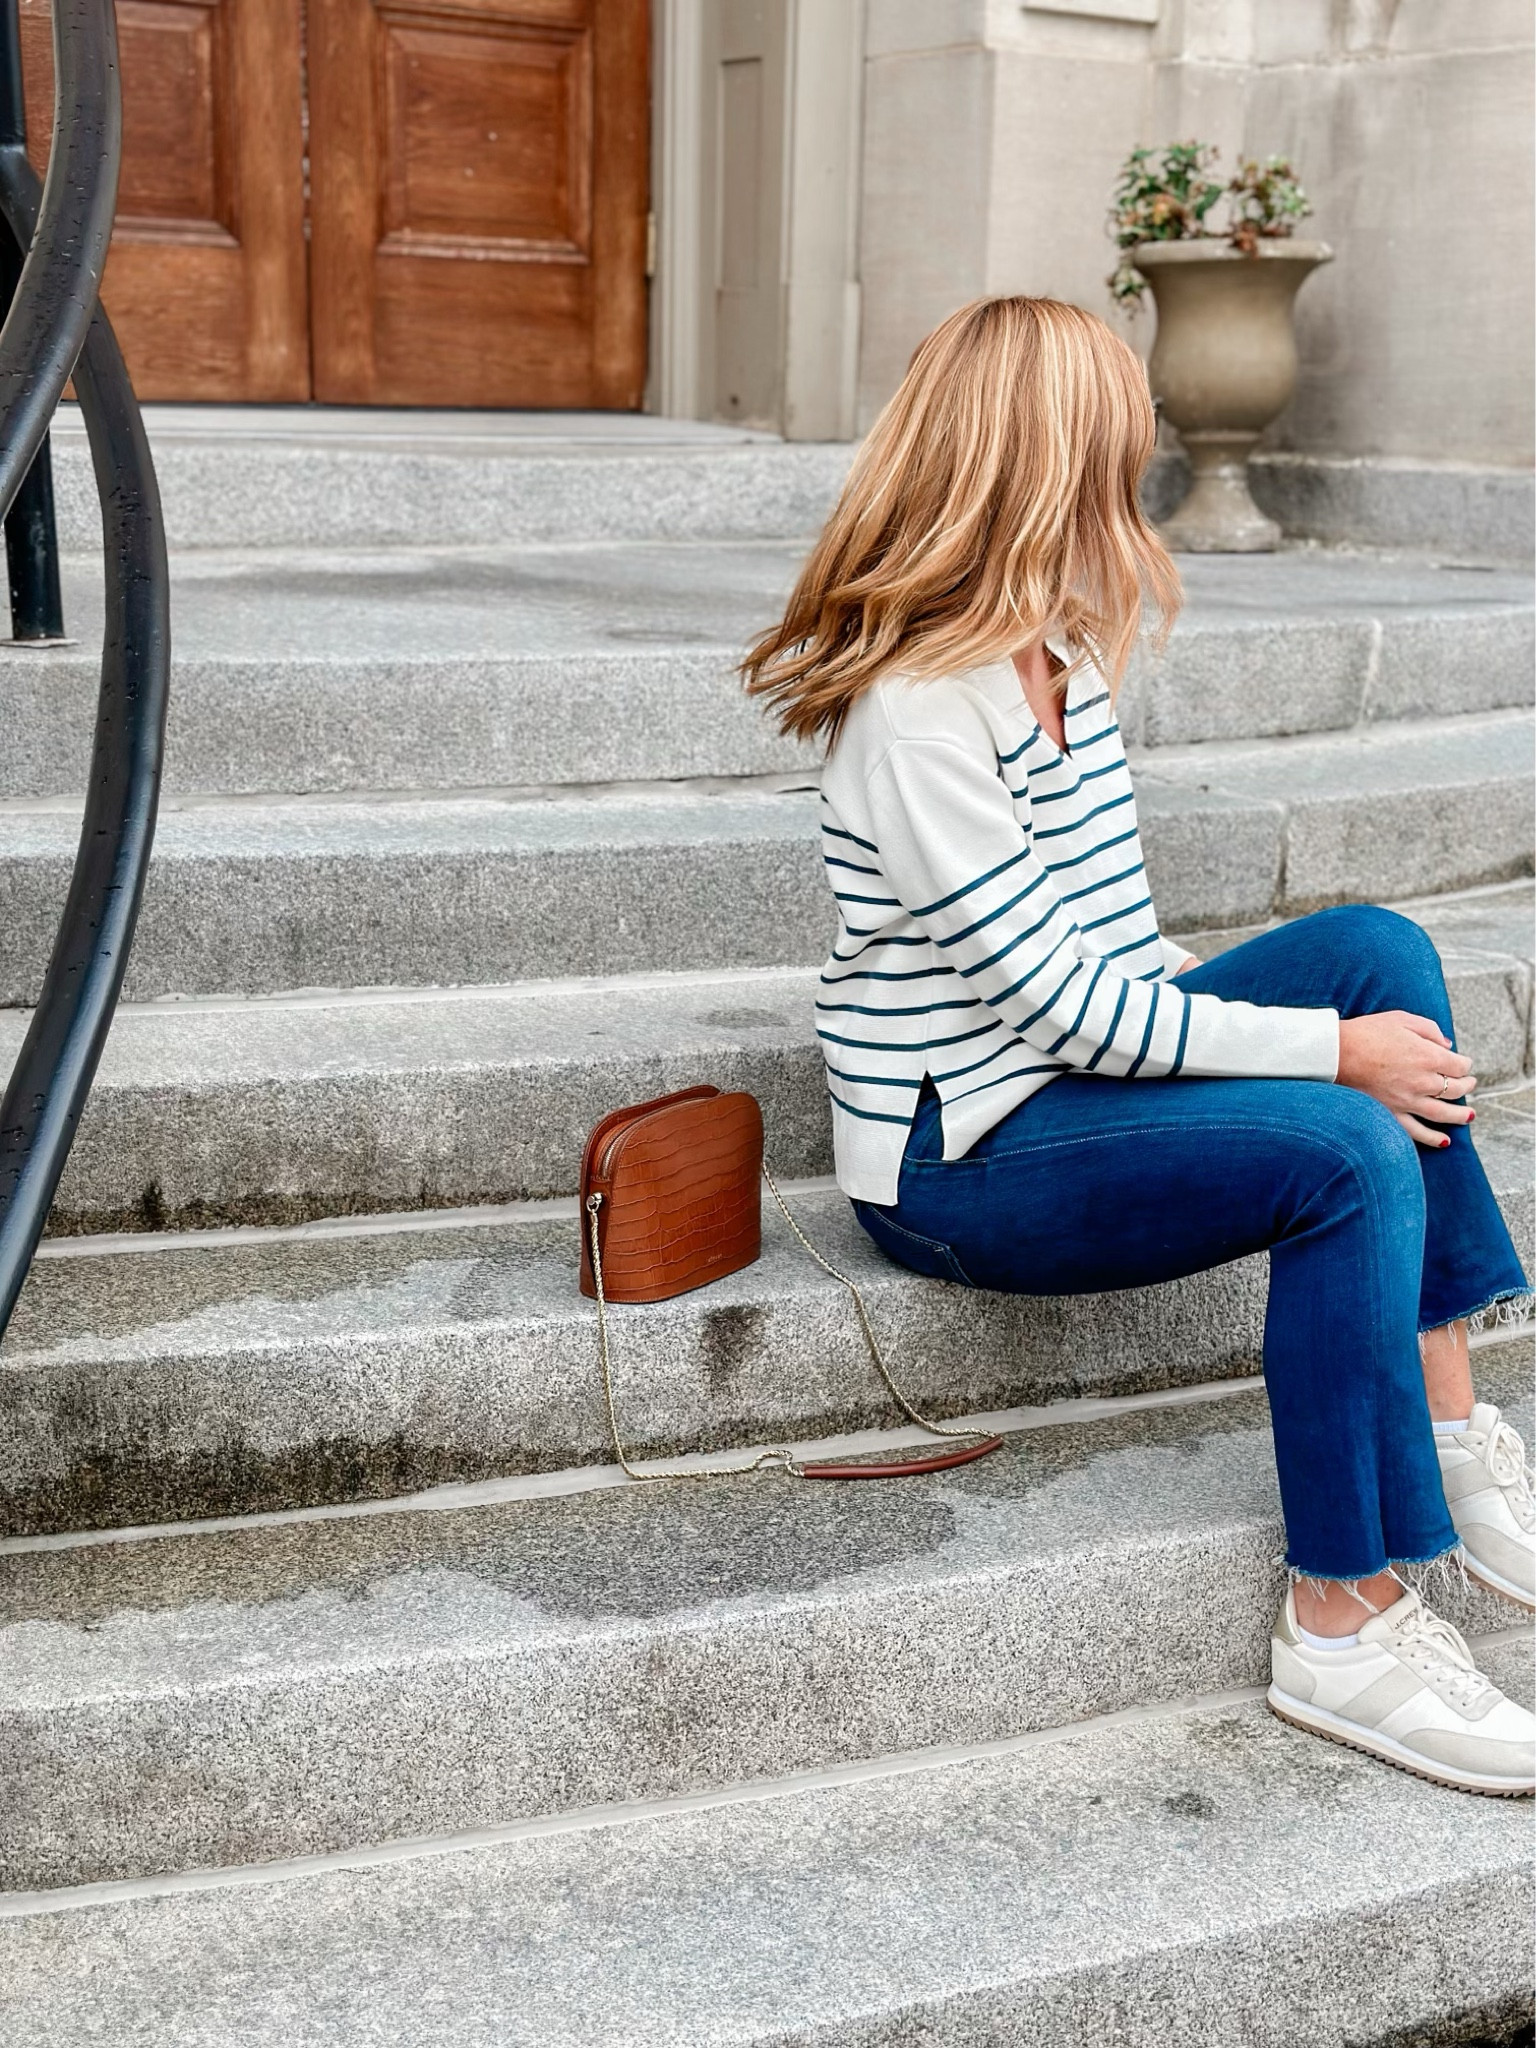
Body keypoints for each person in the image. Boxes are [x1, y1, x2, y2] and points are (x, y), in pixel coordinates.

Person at [743, 295, 1534, 1797]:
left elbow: (1122, 943)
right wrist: (1326, 1059)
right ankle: (1345, 1623)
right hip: (962, 1155)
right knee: (1347, 1144)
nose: (1139, 463)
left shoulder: (1060, 657)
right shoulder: (915, 716)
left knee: (1378, 952)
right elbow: (1061, 1008)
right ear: (1044, 459)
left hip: (1078, 1076)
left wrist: (1318, 1027)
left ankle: (1446, 1422)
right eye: (1117, 439)